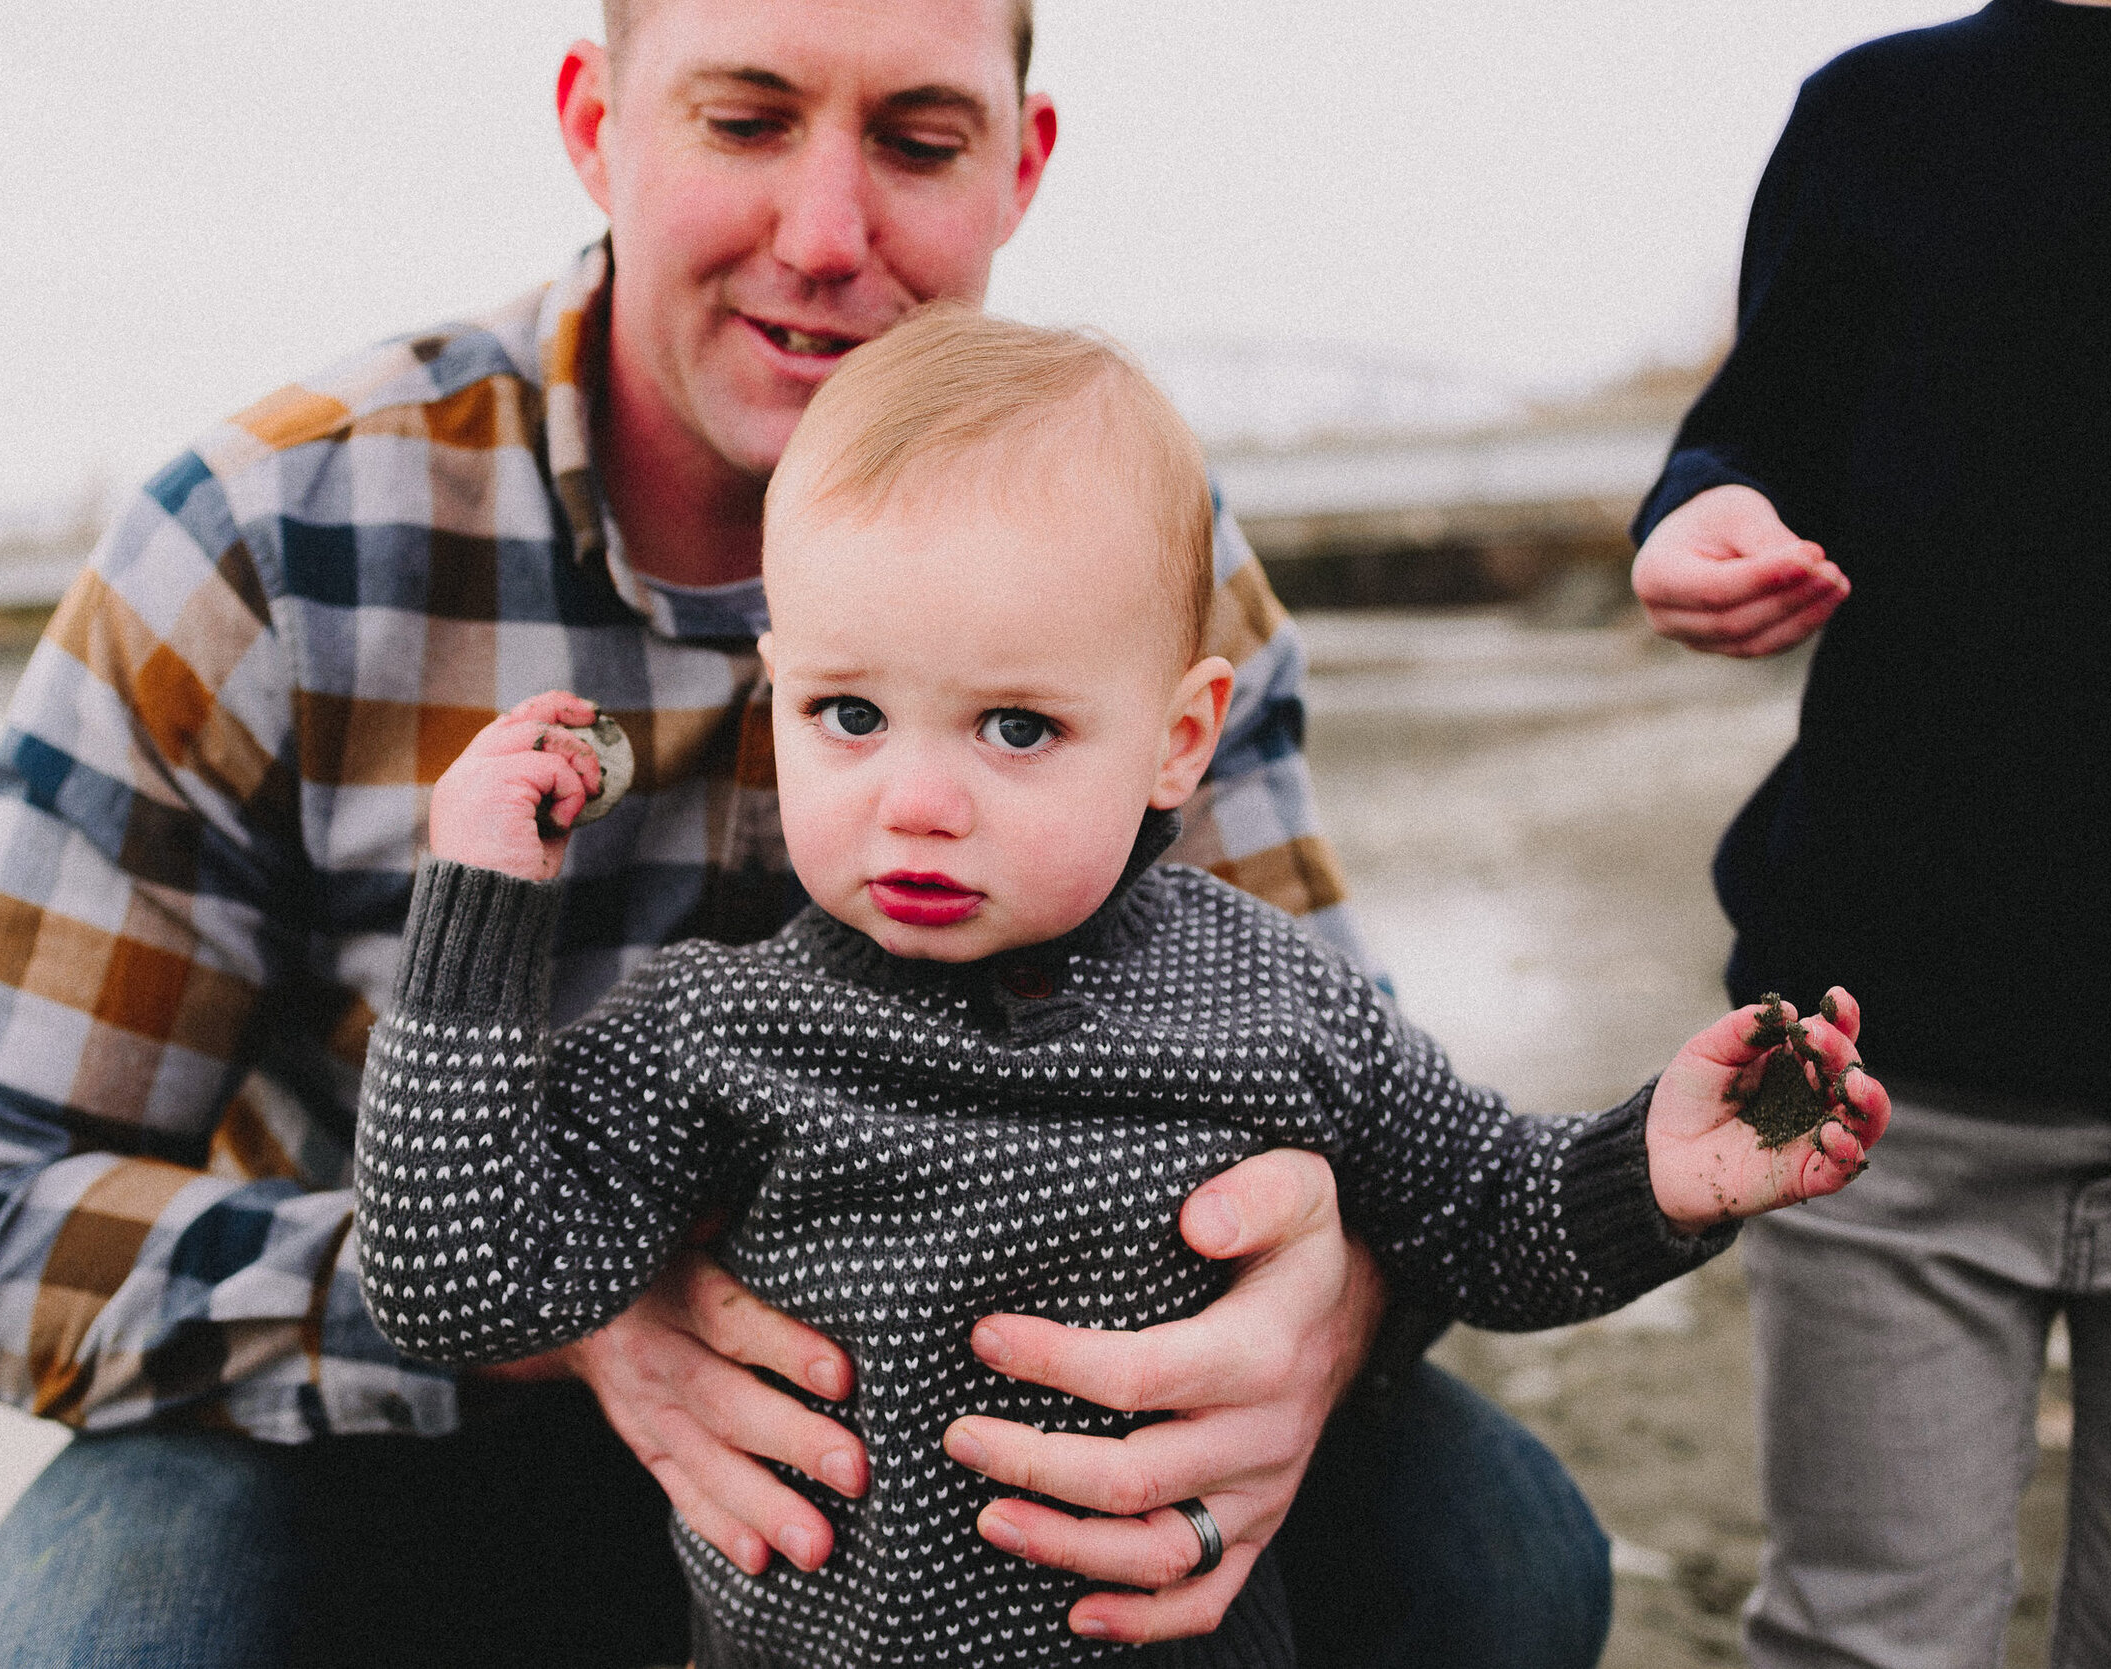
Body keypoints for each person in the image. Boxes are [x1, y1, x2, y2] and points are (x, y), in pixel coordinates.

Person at [0, 2, 1605, 1663]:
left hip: (975, 1456)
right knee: (90, 1634)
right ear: (593, 125)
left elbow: (1374, 1106)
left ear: (1022, 164)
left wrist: (1336, 1301)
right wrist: (582, 1318)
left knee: (1496, 1544)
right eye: (746, 119)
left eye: (921, 141)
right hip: (400, 1420)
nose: (828, 231)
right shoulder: (260, 544)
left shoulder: (1118, 552)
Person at [358, 305, 1889, 1669]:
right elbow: (459, 1284)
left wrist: (1658, 1169)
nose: (918, 799)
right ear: (779, 693)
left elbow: (1484, 1211)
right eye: (849, 712)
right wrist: (481, 914)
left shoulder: (1269, 992)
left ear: (1177, 738)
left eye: (1014, 728)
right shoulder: (717, 1033)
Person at [1627, 3, 2111, 1664]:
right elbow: (1758, 432)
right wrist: (1699, 516)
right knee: (1874, 1634)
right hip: (1879, 1088)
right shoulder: (1885, 115)